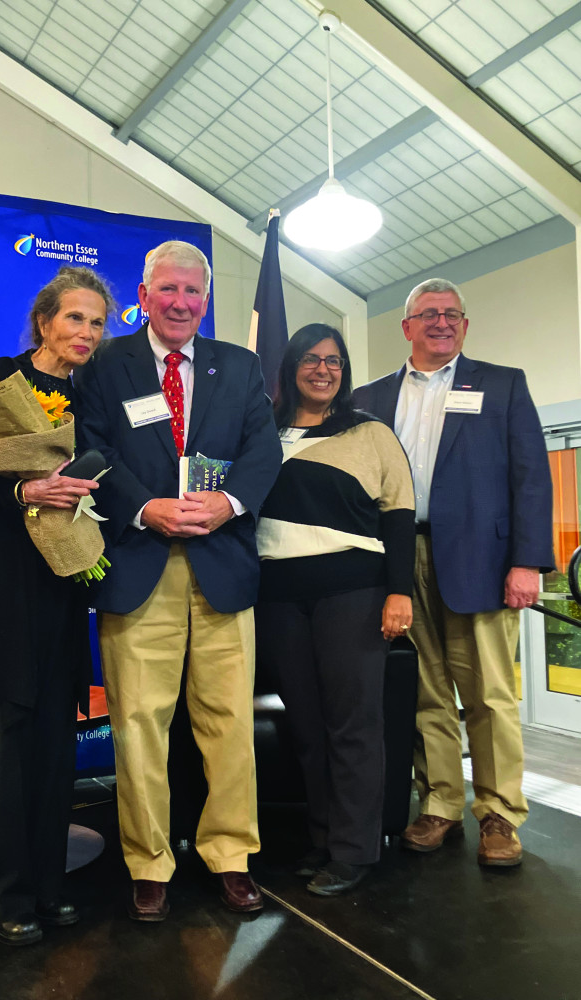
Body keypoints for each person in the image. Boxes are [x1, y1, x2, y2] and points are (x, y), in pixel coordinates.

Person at [80, 240, 282, 921]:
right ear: (143, 295)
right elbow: (93, 448)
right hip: (138, 565)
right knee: (139, 724)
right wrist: (144, 506)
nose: (181, 302)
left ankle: (230, 855)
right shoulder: (108, 363)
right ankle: (149, 863)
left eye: (193, 291)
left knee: (229, 724)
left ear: (205, 299)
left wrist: (226, 504)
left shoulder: (241, 366)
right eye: (168, 289)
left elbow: (263, 449)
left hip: (221, 562)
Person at [0, 266, 114, 945]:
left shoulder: (93, 395)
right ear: (45, 323)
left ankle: (48, 886)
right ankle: (2, 896)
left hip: (68, 584)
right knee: (10, 746)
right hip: (10, 582)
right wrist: (22, 494)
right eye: (76, 318)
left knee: (54, 748)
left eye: (97, 322)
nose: (87, 333)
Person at [353, 278, 554, 866]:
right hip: (397, 558)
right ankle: (438, 801)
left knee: (489, 693)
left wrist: (527, 561)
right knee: (424, 690)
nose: (441, 322)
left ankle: (498, 812)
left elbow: (531, 478)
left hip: (484, 563)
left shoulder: (503, 384)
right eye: (428, 313)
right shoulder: (368, 398)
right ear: (406, 326)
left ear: (464, 326)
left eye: (452, 314)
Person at [254, 323, 415, 895]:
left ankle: (354, 850)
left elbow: (399, 515)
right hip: (277, 598)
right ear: (291, 365)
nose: (324, 370)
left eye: (335, 361)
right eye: (312, 359)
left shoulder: (370, 433)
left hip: (354, 592)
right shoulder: (261, 433)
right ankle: (322, 839)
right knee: (307, 727)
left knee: (353, 725)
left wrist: (401, 592)